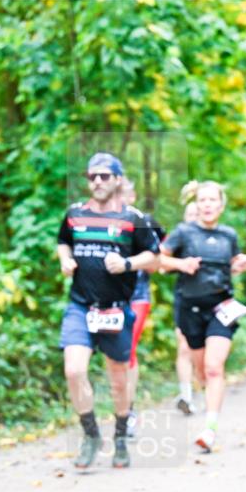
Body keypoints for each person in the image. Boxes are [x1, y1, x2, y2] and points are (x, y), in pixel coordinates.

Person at [57, 153, 160, 470]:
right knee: (74, 370)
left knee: (118, 381)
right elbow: (63, 241)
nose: (97, 182)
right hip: (80, 306)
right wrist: (65, 259)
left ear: (118, 179)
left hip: (116, 311)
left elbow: (155, 258)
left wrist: (127, 264)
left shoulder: (133, 218)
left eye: (104, 176)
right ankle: (90, 435)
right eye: (92, 177)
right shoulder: (75, 214)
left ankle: (118, 437)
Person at [159, 180, 246, 452]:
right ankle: (205, 396)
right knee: (201, 371)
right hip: (190, 309)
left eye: (213, 200)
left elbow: (232, 266)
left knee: (214, 367)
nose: (208, 205)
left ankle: (209, 430)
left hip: (221, 309)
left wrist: (241, 263)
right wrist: (180, 264)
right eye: (203, 200)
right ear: (196, 205)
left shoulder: (228, 236)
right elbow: (157, 259)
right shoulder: (184, 233)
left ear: (221, 206)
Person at [116, 177, 165, 438]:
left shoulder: (144, 223)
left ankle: (129, 412)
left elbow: (159, 260)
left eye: (123, 194)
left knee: (128, 352)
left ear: (132, 197)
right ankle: (122, 407)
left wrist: (128, 263)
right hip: (107, 299)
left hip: (137, 295)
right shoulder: (101, 223)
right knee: (115, 356)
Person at [170, 198, 203, 416]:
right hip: (184, 297)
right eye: (188, 215)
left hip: (211, 301)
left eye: (195, 214)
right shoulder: (178, 239)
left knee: (202, 352)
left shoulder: (217, 237)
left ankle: (209, 388)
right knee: (183, 347)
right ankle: (186, 396)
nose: (192, 219)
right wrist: (180, 264)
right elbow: (160, 263)